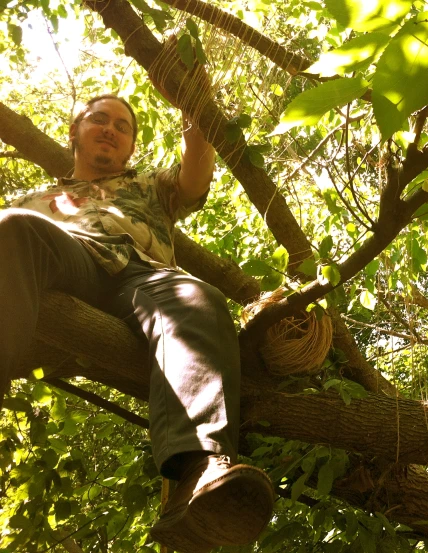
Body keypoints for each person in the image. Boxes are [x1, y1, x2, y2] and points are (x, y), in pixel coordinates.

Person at [0, 90, 274, 551]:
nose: (110, 129)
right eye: (99, 120)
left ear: (129, 148)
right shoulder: (33, 201)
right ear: (76, 132)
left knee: (198, 296)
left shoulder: (149, 186)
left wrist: (194, 106)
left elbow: (194, 173)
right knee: (10, 228)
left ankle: (199, 472)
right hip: (68, 263)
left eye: (122, 127)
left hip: (142, 275)